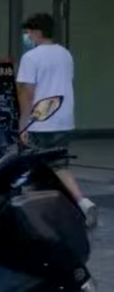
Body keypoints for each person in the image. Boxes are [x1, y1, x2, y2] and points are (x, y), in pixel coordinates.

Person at [16, 13, 96, 227]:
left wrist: (23, 123)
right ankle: (76, 204)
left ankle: (34, 216)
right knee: (58, 166)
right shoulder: (65, 54)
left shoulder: (30, 58)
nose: (28, 36)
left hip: (40, 121)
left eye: (29, 32)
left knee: (35, 167)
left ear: (38, 32)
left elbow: (27, 93)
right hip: (63, 119)